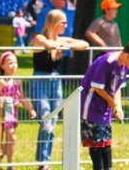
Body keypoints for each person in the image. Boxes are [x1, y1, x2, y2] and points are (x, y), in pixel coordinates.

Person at [31, 9, 90, 170]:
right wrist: (64, 44)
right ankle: (42, 161)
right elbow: (48, 44)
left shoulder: (61, 39)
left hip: (55, 81)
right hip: (40, 80)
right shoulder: (40, 37)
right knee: (45, 118)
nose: (66, 25)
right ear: (54, 23)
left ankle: (45, 162)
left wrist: (64, 43)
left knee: (54, 120)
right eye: (63, 22)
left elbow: (85, 44)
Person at [79, 40, 129, 170]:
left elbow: (117, 88)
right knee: (96, 144)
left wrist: (118, 107)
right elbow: (97, 86)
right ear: (128, 56)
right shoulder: (107, 62)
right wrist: (111, 102)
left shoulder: (124, 66)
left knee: (106, 142)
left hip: (105, 108)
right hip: (91, 106)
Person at [0, 51, 37, 170]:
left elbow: (21, 98)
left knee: (10, 139)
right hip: (2, 114)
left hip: (12, 114)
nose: (13, 66)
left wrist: (30, 109)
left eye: (15, 63)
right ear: (2, 65)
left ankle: (8, 163)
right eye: (10, 63)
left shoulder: (17, 81)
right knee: (6, 138)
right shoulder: (1, 82)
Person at [38, 0, 73, 74]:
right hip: (49, 55)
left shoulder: (68, 11)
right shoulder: (46, 13)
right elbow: (38, 33)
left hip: (65, 52)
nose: (66, 1)